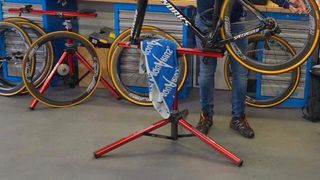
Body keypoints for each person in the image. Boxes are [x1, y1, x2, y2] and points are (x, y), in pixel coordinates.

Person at [195, 0, 307, 138]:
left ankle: (238, 118)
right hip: (206, 21)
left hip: (235, 22)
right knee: (206, 74)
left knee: (240, 74)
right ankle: (205, 116)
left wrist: (286, 2)